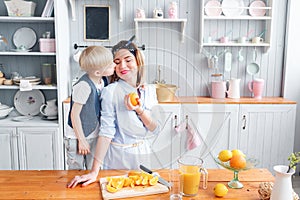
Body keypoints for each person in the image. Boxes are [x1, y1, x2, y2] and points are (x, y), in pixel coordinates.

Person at [67, 39, 162, 188]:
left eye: (128, 60)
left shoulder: (149, 90)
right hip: (117, 157)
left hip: (143, 154)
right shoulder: (110, 91)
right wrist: (94, 171)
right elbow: (106, 132)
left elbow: (155, 128)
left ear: (138, 60)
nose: (122, 66)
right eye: (116, 62)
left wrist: (138, 109)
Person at [65, 46, 115, 170]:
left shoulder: (102, 81)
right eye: (110, 65)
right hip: (77, 137)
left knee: (93, 169)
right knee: (76, 170)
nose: (114, 65)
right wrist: (81, 140)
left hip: (94, 134)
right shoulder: (84, 86)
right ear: (97, 72)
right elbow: (74, 115)